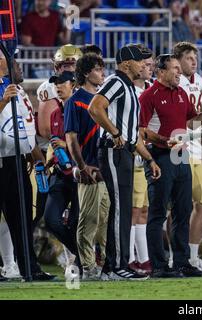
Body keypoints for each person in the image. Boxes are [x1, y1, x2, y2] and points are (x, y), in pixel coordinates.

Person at [139, 54, 202, 278]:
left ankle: (182, 262)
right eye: (174, 68)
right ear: (161, 72)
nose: (179, 72)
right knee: (158, 213)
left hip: (182, 155)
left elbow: (191, 120)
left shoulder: (181, 93)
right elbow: (141, 130)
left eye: (179, 68)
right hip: (160, 155)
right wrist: (161, 141)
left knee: (183, 211)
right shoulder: (150, 95)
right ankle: (158, 266)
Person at [88, 45, 161, 281]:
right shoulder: (117, 82)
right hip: (113, 151)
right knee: (120, 209)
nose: (144, 65)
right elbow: (95, 108)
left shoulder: (128, 86)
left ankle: (113, 266)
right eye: (140, 61)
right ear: (126, 63)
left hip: (126, 152)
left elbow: (131, 135)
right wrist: (114, 131)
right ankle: (118, 265)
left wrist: (149, 158)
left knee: (123, 209)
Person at [0, 51, 55, 281]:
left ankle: (29, 268)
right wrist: (3, 101)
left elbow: (25, 127)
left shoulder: (18, 89)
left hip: (17, 160)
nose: (18, 64)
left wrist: (34, 154)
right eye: (11, 59)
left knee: (22, 217)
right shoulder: (8, 90)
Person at [172, 42, 202, 272]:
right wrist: (198, 128)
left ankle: (191, 256)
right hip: (178, 146)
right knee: (177, 206)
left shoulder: (198, 80)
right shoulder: (173, 81)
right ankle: (174, 256)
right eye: (189, 58)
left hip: (196, 148)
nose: (194, 62)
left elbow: (200, 115)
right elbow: (178, 120)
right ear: (178, 60)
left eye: (195, 58)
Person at [65, 53, 110, 280]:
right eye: (97, 69)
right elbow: (71, 139)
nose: (102, 73)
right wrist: (81, 167)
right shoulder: (76, 101)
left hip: (105, 169)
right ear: (85, 73)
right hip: (90, 170)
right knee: (89, 220)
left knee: (105, 221)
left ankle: (105, 266)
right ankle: (88, 267)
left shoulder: (104, 99)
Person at [44, 71, 80, 275]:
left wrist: (66, 144)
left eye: (61, 83)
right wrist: (54, 159)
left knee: (77, 222)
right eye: (55, 83)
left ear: (73, 84)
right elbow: (58, 145)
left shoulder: (83, 109)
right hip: (60, 173)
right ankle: (81, 254)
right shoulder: (55, 114)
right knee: (51, 219)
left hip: (79, 175)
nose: (57, 86)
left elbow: (87, 141)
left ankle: (82, 260)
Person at [128, 44, 154, 276]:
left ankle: (144, 259)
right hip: (133, 153)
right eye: (145, 64)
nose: (149, 68)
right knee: (133, 210)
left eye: (150, 64)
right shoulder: (127, 90)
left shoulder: (152, 89)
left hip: (147, 154)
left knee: (143, 209)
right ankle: (129, 259)